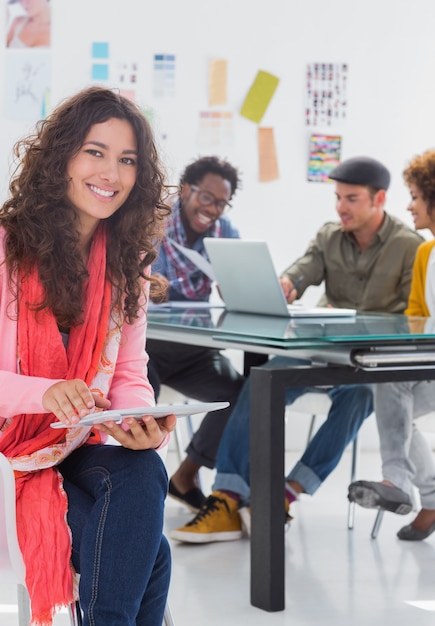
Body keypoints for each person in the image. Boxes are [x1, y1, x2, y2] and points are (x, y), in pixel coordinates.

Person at [169, 155, 425, 544]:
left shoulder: (410, 247)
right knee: (262, 378)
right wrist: (287, 283)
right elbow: (302, 269)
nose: (341, 207)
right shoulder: (329, 236)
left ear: (379, 199)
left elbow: (415, 316)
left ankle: (282, 496)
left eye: (351, 198)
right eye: (338, 197)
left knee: (358, 397)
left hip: (366, 363)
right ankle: (226, 497)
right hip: (320, 351)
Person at [0, 86, 177, 625]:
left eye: (127, 160)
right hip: (9, 450)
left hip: (72, 439)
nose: (111, 173)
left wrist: (136, 416)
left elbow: (128, 372)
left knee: (144, 469)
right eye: (95, 152)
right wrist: (44, 391)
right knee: (152, 555)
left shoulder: (128, 266)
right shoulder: (7, 249)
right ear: (62, 158)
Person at [147, 156, 245, 512]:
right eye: (207, 198)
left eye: (221, 203)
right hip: (149, 349)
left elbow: (238, 288)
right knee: (140, 400)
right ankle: (142, 491)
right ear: (186, 189)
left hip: (196, 350)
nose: (213, 209)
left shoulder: (226, 234)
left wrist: (236, 287)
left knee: (241, 394)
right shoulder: (151, 220)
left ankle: (185, 476)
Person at [348, 149, 435, 541]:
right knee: (387, 386)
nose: (410, 206)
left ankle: (410, 487)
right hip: (428, 366)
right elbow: (416, 317)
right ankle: (412, 488)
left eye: (416, 196)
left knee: (390, 395)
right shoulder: (425, 254)